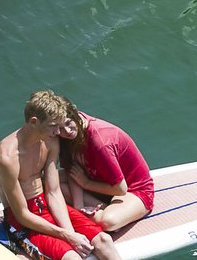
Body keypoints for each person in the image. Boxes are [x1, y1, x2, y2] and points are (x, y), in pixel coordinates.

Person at [0, 90, 176, 260]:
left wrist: (70, 230)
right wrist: (67, 237)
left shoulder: (49, 141)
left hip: (47, 207)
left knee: (102, 239)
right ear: (34, 122)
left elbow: (54, 193)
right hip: (23, 220)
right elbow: (23, 214)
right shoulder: (7, 157)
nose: (58, 132)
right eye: (53, 126)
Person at [57, 96, 154, 234]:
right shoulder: (65, 137)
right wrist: (80, 206)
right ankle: (103, 209)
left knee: (107, 222)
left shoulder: (100, 142)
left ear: (75, 113)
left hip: (133, 189)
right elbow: (72, 171)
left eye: (68, 123)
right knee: (50, 184)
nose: (66, 131)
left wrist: (86, 183)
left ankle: (112, 213)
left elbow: (121, 189)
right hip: (98, 180)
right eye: (60, 128)